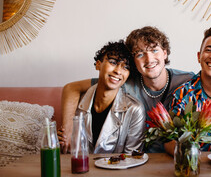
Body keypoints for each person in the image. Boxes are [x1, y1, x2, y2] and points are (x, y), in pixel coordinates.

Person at [58, 26, 194, 153]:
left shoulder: (187, 81)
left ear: (164, 53)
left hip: (176, 156)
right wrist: (69, 128)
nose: (149, 59)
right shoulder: (123, 80)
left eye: (154, 50)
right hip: (137, 157)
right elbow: (72, 88)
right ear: (134, 61)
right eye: (140, 54)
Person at [58, 40, 145, 153]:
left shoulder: (135, 109)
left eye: (125, 67)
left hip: (116, 170)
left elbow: (133, 157)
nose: (118, 71)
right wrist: (61, 142)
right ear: (98, 65)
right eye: (113, 62)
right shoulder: (76, 102)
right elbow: (69, 151)